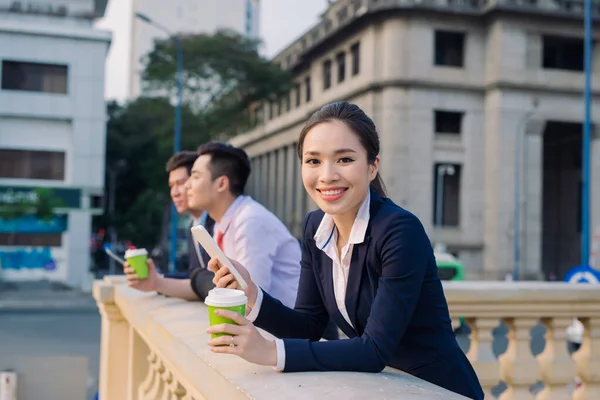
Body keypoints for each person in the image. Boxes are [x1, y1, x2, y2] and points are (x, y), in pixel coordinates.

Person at [205, 102, 484, 399]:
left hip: (438, 390)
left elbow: (374, 350)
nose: (327, 175)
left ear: (373, 166)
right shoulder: (315, 227)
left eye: (344, 159)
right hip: (384, 390)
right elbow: (308, 326)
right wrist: (251, 292)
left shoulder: (400, 231)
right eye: (313, 161)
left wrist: (271, 351)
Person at [185, 142, 302, 309]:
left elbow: (248, 300)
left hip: (299, 331)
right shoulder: (223, 223)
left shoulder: (250, 222)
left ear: (221, 184)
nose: (187, 185)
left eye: (195, 177)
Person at [124, 151, 216, 300]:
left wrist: (158, 281)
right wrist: (156, 281)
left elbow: (215, 285)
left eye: (180, 183)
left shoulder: (219, 223)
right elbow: (197, 281)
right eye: (171, 186)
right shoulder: (195, 225)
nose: (174, 193)